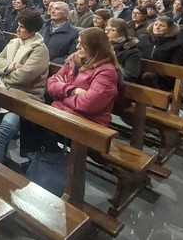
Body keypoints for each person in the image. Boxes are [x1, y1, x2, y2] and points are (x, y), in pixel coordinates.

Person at [26, 28, 120, 195]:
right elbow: (51, 84)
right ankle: (41, 165)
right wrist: (71, 91)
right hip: (64, 114)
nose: (78, 47)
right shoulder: (74, 60)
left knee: (41, 128)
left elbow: (88, 104)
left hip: (88, 123)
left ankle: (55, 177)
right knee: (28, 119)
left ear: (95, 47)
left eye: (82, 44)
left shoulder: (107, 71)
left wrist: (62, 94)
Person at [0, 11, 50, 164]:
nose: (17, 30)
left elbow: (25, 76)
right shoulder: (14, 42)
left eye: (22, 27)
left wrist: (5, 76)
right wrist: (12, 66)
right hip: (4, 90)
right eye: (18, 26)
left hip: (25, 97)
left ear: (32, 30)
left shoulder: (39, 49)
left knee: (3, 133)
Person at [105, 18, 141, 82]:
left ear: (122, 32)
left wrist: (115, 61)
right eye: (106, 29)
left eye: (112, 30)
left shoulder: (132, 51)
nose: (106, 32)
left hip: (118, 84)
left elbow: (130, 76)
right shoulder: (103, 44)